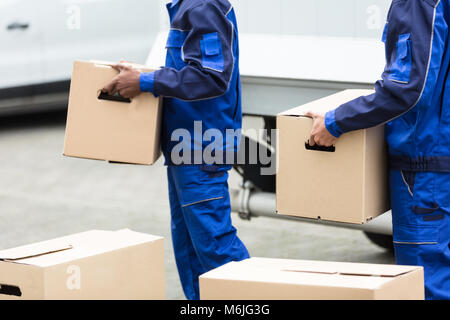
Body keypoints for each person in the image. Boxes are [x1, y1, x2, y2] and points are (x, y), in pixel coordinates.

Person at [102, 0, 249, 300]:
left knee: (216, 250)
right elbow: (188, 71)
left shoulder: (202, 6)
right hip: (185, 150)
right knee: (190, 251)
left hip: (202, 150)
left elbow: (211, 77)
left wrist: (145, 81)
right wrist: (141, 76)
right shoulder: (186, 8)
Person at [307, 0, 450, 300]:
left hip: (424, 168)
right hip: (436, 156)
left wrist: (335, 122)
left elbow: (406, 88)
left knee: (424, 284)